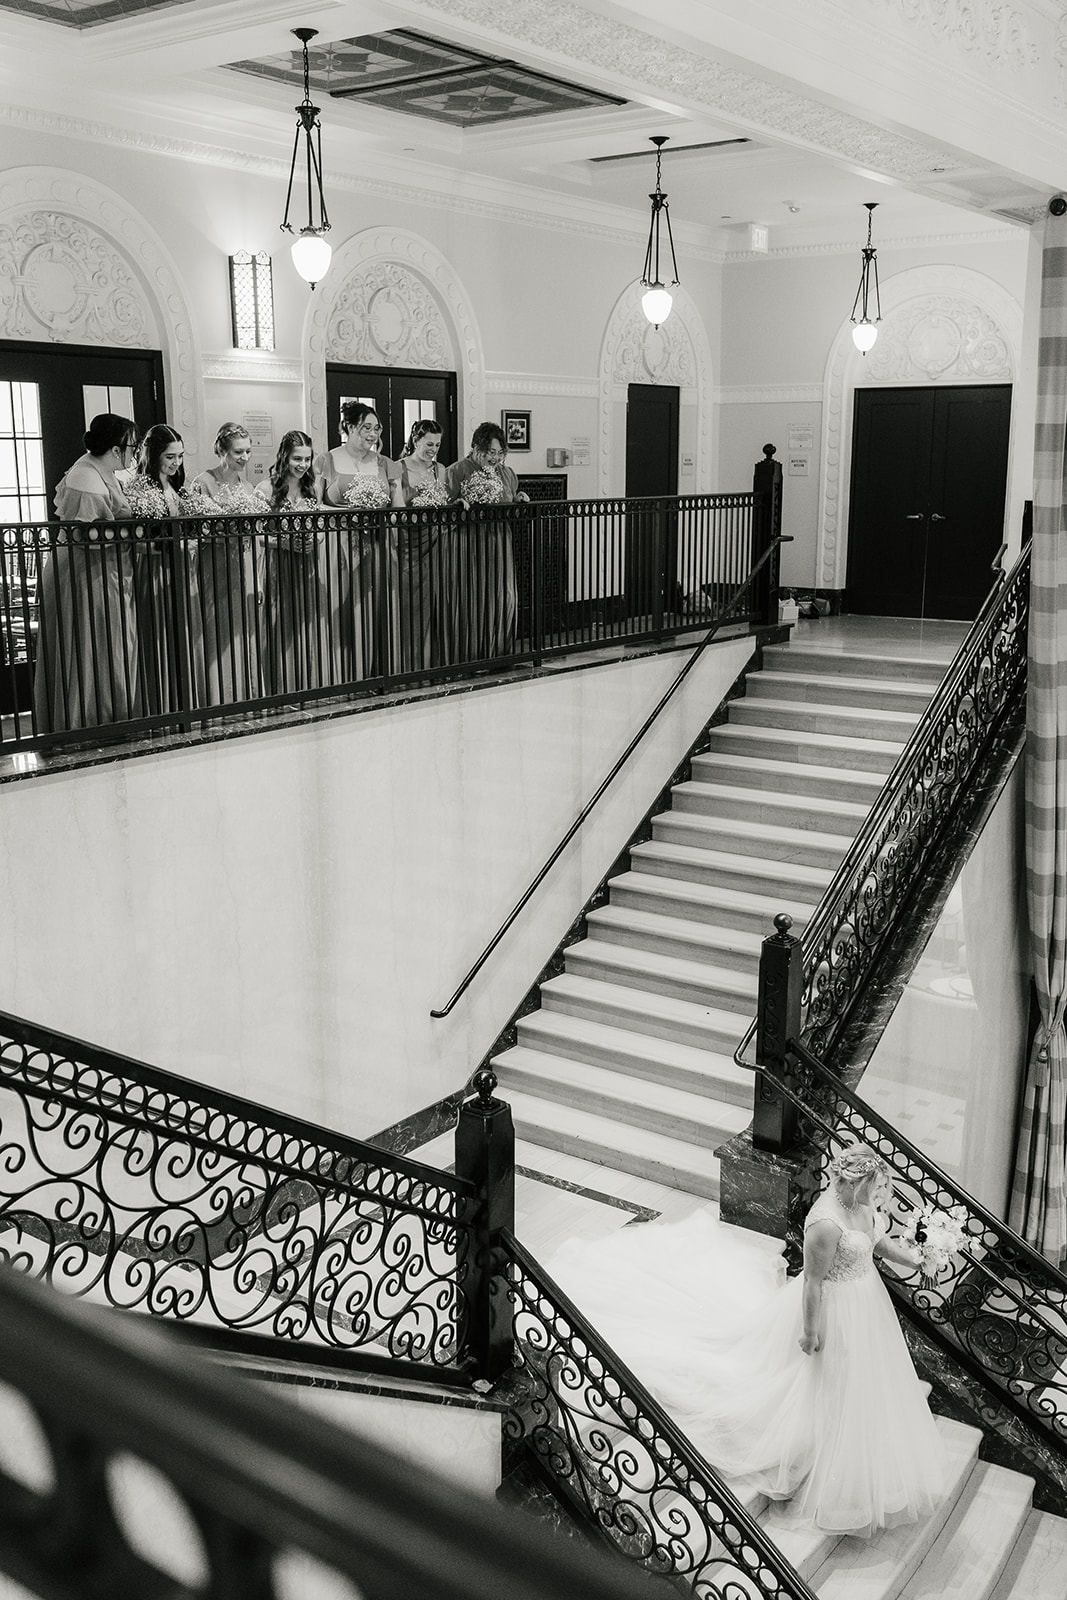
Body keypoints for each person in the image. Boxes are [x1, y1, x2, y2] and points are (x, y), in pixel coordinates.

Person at [546, 1145, 948, 1540]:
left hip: (866, 1307)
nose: (877, 1197)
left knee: (861, 1381)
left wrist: (914, 1260)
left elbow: (877, 1243)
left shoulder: (861, 1207)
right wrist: (810, 1331)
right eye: (873, 1187)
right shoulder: (824, 1223)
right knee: (821, 1380)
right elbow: (812, 1282)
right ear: (852, 1181)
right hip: (831, 1309)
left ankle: (855, 1454)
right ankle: (820, 1455)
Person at [33, 412, 142, 734]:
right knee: (93, 642)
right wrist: (137, 531)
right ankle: (89, 722)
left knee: (113, 642)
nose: (135, 453)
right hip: (86, 573)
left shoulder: (103, 471)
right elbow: (90, 535)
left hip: (105, 569)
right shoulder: (86, 477)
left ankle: (115, 718)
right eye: (132, 447)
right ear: (115, 449)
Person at [315, 402, 402, 682]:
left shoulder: (386, 464)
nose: (373, 433)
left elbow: (398, 508)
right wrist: (346, 515)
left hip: (377, 545)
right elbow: (315, 505)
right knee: (341, 607)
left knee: (375, 605)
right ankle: (342, 676)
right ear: (350, 427)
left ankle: (378, 672)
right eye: (367, 427)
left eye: (377, 428)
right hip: (337, 546)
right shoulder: (326, 460)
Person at [188, 423, 261, 706]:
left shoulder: (247, 486)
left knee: (239, 626)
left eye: (248, 451)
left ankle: (242, 694)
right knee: (215, 625)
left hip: (240, 561)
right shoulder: (203, 482)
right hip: (212, 563)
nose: (244, 457)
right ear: (222, 450)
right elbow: (196, 528)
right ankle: (218, 696)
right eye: (238, 452)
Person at [442, 422, 527, 662]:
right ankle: (471, 655)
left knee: (502, 594)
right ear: (477, 448)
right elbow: (444, 508)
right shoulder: (457, 470)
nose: (496, 458)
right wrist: (457, 507)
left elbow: (509, 499)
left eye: (501, 453)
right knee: (474, 595)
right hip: (469, 543)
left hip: (500, 542)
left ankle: (498, 652)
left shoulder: (507, 473)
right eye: (491, 452)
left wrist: (519, 499)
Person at [255, 431, 322, 694]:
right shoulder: (265, 489)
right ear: (284, 456)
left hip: (306, 566)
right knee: (277, 626)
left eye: (307, 459)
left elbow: (319, 528)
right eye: (297, 458)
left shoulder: (312, 488)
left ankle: (303, 685)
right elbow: (255, 535)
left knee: (303, 625)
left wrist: (314, 540)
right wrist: (282, 543)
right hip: (277, 566)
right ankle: (277, 688)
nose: (302, 465)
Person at [397, 419, 450, 671]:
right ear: (416, 440)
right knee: (410, 604)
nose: (434, 449)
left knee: (436, 601)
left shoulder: (441, 469)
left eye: (438, 444)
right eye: (429, 443)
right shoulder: (399, 468)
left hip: (436, 540)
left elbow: (447, 500)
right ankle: (409, 662)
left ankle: (434, 661)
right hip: (409, 543)